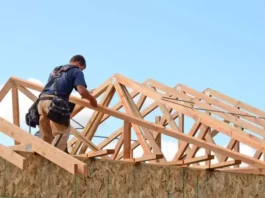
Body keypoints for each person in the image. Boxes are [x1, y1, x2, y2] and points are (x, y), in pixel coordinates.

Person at [37, 55, 97, 152]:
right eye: (82, 69)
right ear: (78, 63)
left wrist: (86, 93)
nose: (81, 71)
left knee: (46, 136)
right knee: (62, 132)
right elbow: (81, 91)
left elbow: (59, 85)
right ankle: (51, 159)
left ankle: (43, 159)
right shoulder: (76, 71)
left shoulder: (56, 70)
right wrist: (91, 99)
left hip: (41, 101)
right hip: (54, 103)